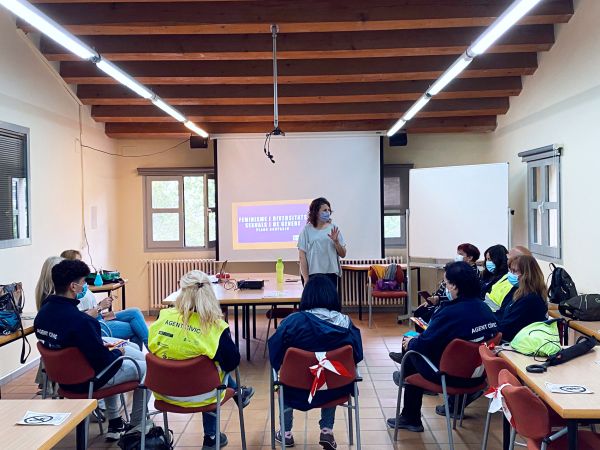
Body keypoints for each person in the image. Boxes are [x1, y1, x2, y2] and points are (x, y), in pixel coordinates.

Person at [34, 259, 150, 441]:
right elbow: (104, 362)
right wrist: (117, 353)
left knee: (118, 353)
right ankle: (137, 426)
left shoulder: (43, 315)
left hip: (63, 379)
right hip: (87, 381)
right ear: (73, 286)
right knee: (146, 369)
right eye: (82, 282)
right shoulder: (81, 321)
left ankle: (116, 422)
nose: (84, 286)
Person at [386, 262, 499, 432]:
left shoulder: (449, 312)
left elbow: (425, 343)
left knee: (411, 354)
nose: (444, 288)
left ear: (454, 286)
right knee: (419, 349)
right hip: (478, 377)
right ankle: (410, 399)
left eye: (445, 283)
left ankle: (410, 416)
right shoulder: (485, 309)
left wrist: (411, 343)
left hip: (449, 377)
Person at [148, 270, 254, 450]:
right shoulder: (215, 327)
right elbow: (232, 362)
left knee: (203, 371)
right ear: (209, 294)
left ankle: (238, 393)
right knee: (214, 372)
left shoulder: (163, 316)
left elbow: (152, 347)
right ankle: (212, 437)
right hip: (203, 396)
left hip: (164, 393)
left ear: (181, 292)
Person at [268, 275, 363, 450]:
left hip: (296, 391)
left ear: (307, 296)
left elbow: (274, 353)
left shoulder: (292, 322)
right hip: (335, 390)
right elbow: (357, 355)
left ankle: (286, 433)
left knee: (282, 381)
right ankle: (327, 430)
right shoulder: (346, 323)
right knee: (331, 374)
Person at [61, 249, 148, 350]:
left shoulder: (81, 283)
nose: (81, 265)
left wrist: (100, 306)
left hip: (99, 316)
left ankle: (148, 354)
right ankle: (144, 356)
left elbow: (89, 308)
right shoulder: (71, 290)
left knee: (135, 312)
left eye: (81, 261)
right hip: (95, 325)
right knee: (136, 328)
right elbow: (79, 318)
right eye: (77, 262)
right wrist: (100, 307)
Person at [411, 243, 480, 333]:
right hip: (440, 301)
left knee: (425, 316)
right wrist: (432, 298)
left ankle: (426, 338)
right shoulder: (457, 269)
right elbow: (444, 288)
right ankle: (423, 337)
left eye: (460, 254)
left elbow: (459, 293)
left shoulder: (469, 273)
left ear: (470, 257)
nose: (457, 256)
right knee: (420, 311)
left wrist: (438, 299)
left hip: (450, 303)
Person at [495, 254, 548, 341]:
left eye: (514, 271)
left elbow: (508, 326)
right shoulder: (516, 290)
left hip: (517, 341)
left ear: (527, 274)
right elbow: (501, 312)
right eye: (510, 270)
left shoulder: (531, 299)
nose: (510, 274)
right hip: (509, 336)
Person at [298, 197, 346, 291]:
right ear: (316, 212)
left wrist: (336, 242)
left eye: (329, 210)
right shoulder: (306, 230)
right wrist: (306, 278)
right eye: (324, 210)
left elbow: (343, 254)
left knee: (329, 303)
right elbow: (302, 257)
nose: (327, 212)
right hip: (313, 275)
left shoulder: (334, 228)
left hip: (330, 274)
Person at [483, 246, 529, 312]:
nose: (507, 261)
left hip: (494, 316)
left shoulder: (517, 283)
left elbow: (504, 313)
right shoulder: (507, 275)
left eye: (509, 258)